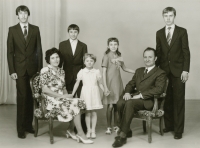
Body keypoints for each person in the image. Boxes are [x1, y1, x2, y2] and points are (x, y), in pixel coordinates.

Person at [35, 48, 93, 144]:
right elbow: (45, 90)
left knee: (79, 101)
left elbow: (63, 87)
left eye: (57, 57)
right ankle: (81, 134)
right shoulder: (45, 70)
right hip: (49, 99)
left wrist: (67, 95)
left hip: (60, 98)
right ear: (48, 60)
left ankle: (71, 130)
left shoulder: (61, 71)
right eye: (52, 58)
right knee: (74, 104)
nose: (56, 60)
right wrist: (61, 96)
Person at [112, 48, 167, 147]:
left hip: (149, 101)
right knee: (120, 102)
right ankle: (127, 130)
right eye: (145, 57)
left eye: (150, 57)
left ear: (155, 58)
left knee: (130, 103)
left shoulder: (160, 73)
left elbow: (158, 90)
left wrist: (141, 95)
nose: (147, 59)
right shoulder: (139, 71)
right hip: (136, 98)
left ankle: (122, 135)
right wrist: (128, 92)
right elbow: (130, 84)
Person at [7, 5, 43, 139]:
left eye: (25, 13)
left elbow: (39, 50)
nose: (23, 16)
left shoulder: (35, 29)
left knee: (31, 97)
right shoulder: (12, 30)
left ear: (28, 14)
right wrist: (12, 70)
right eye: (20, 13)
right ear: (17, 15)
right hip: (19, 69)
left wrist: (40, 70)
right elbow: (10, 52)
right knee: (22, 98)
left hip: (33, 69)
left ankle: (29, 125)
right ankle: (20, 128)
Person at [155, 7, 190, 140]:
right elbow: (158, 53)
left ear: (174, 16)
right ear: (163, 17)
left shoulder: (182, 31)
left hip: (179, 71)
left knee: (179, 100)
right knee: (166, 99)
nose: (168, 18)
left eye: (170, 16)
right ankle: (169, 125)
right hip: (164, 71)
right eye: (166, 16)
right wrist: (156, 71)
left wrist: (185, 70)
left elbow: (186, 52)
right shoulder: (159, 33)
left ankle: (178, 130)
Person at [101, 37, 135, 135]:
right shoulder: (106, 56)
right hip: (109, 83)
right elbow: (103, 73)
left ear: (118, 45)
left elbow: (124, 68)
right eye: (111, 44)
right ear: (108, 46)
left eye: (115, 44)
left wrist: (136, 72)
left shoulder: (119, 56)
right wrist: (105, 87)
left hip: (118, 83)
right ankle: (108, 127)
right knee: (110, 105)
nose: (113, 46)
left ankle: (116, 125)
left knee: (117, 105)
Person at [59, 24, 87, 133]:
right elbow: (60, 62)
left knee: (81, 100)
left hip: (79, 76)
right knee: (69, 100)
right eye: (71, 32)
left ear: (78, 33)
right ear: (68, 33)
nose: (73, 34)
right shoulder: (62, 44)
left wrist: (83, 77)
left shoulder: (83, 45)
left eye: (75, 32)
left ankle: (81, 126)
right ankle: (70, 126)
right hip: (67, 75)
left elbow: (85, 62)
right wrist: (60, 75)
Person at [71, 53, 105, 139]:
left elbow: (100, 83)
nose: (89, 62)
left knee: (93, 112)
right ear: (84, 62)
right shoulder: (82, 71)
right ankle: (88, 130)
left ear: (94, 62)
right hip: (85, 93)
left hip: (94, 93)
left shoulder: (96, 71)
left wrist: (105, 90)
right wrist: (72, 94)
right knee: (87, 112)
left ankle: (93, 130)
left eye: (91, 61)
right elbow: (77, 83)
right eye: (87, 61)